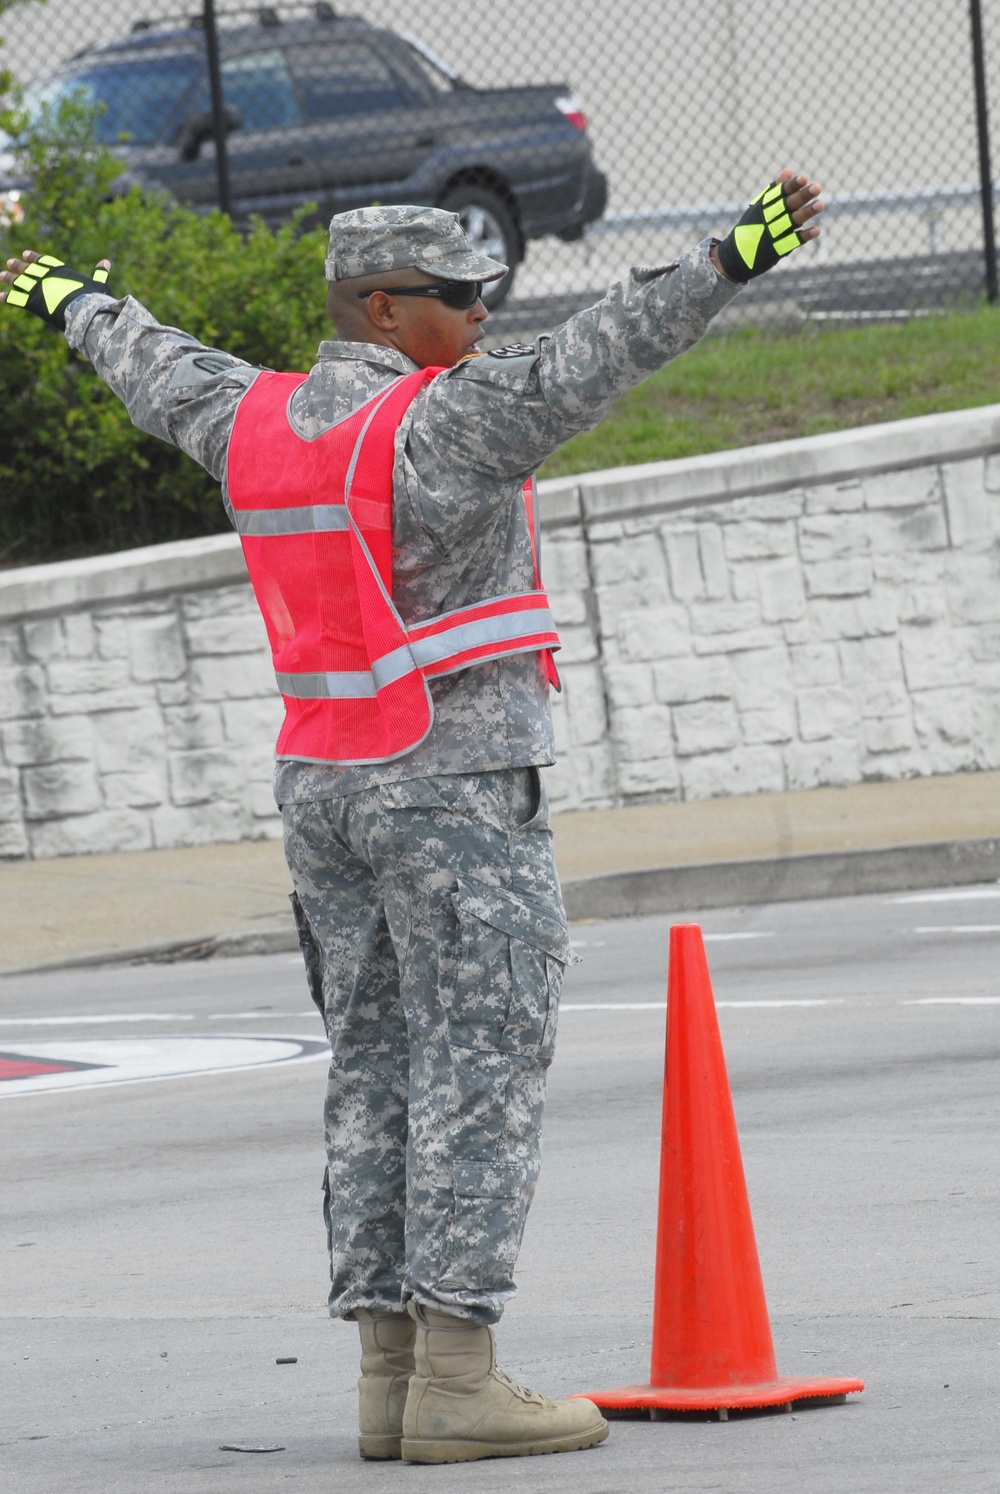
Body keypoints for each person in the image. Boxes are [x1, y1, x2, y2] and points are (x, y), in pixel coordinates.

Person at [1, 170, 824, 1465]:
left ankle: (387, 1375)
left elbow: (154, 363)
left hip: (321, 793)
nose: (483, 317)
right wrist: (732, 258)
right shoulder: (441, 425)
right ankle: (458, 1373)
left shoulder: (255, 421)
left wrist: (70, 299)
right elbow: (597, 355)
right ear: (383, 309)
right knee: (478, 1063)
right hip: (455, 785)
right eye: (458, 298)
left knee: (372, 1071)